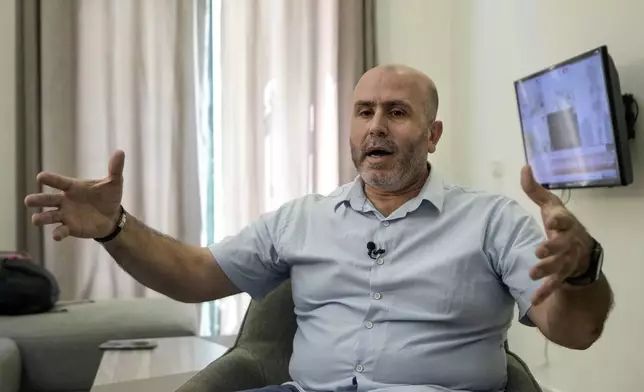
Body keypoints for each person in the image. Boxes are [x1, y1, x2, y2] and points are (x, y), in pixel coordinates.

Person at [25, 64, 613, 392]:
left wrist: (583, 269)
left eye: (397, 112)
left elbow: (576, 331)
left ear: (433, 135)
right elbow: (195, 274)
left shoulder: (492, 221)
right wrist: (115, 228)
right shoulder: (303, 218)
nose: (376, 126)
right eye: (364, 112)